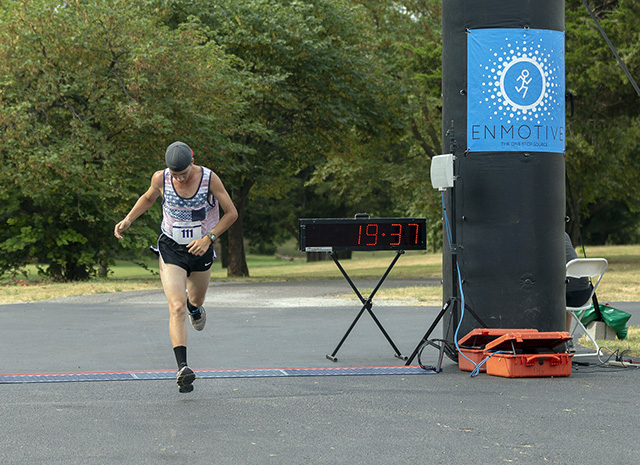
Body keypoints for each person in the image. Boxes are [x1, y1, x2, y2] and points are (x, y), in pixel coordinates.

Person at [114, 141, 238, 391]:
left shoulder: (210, 179)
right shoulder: (161, 178)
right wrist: (128, 219)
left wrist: (209, 238)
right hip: (171, 247)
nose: (179, 179)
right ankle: (183, 368)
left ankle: (196, 308)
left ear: (192, 163)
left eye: (182, 173)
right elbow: (148, 198)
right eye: (175, 174)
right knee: (176, 306)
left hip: (201, 247)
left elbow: (231, 213)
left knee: (195, 300)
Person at [565, 232, 593, 339]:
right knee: (566, 303)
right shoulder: (565, 235)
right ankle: (566, 338)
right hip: (584, 294)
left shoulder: (540, 238)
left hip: (565, 295)